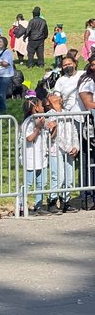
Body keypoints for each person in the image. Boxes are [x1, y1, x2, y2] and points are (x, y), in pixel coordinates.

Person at [45, 92, 79, 213]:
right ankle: (52, 200)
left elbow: (74, 130)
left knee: (69, 177)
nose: (55, 95)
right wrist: (67, 147)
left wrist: (75, 146)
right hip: (56, 150)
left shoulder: (68, 112)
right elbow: (54, 136)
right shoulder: (49, 115)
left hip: (69, 149)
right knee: (58, 176)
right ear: (48, 101)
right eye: (51, 95)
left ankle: (66, 201)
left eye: (56, 94)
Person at [23, 91, 49, 215]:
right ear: (35, 107)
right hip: (31, 157)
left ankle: (39, 205)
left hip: (41, 156)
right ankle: (21, 205)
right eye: (41, 105)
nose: (43, 107)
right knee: (28, 183)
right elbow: (29, 138)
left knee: (41, 183)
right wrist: (38, 128)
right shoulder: (29, 121)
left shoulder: (41, 119)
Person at [77, 55, 95, 210]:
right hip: (88, 127)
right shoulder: (87, 82)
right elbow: (89, 104)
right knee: (88, 163)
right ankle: (87, 196)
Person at [0, 36, 15, 113]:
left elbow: (6, 64)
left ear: (5, 43)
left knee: (2, 92)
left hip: (5, 75)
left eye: (0, 42)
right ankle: (1, 106)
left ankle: (3, 108)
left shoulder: (7, 52)